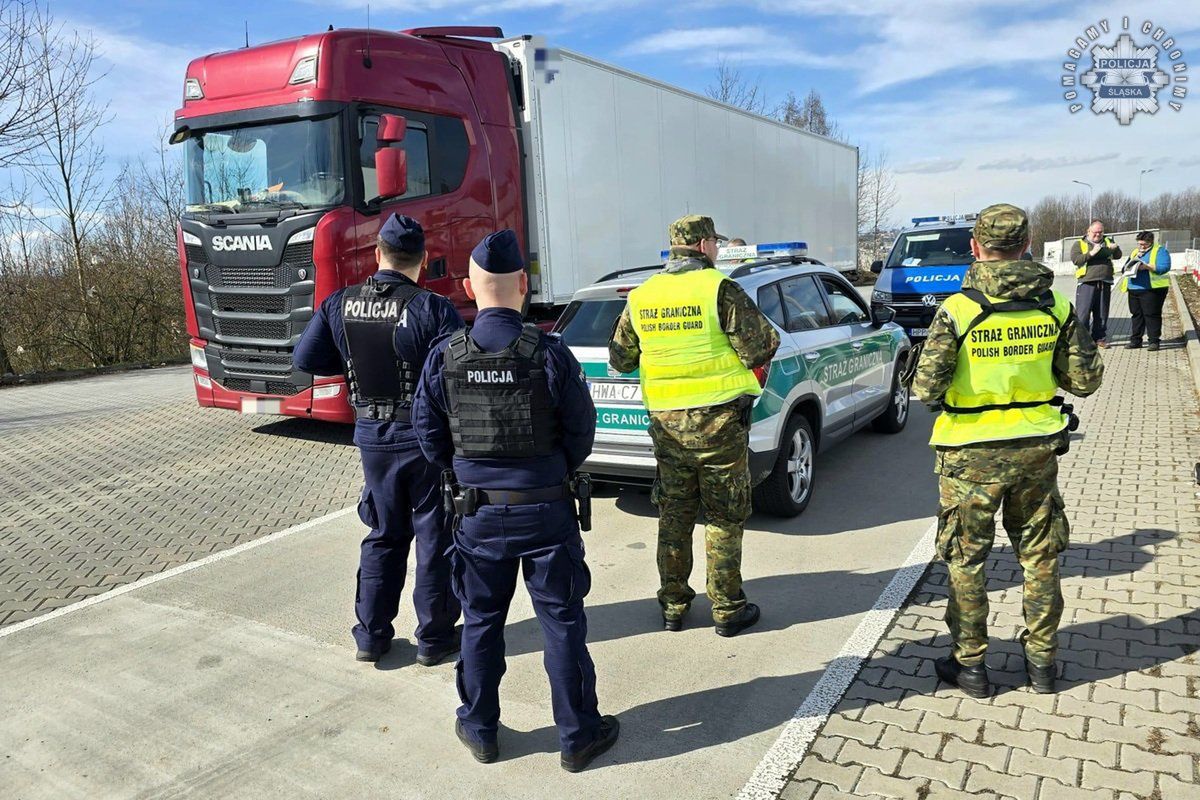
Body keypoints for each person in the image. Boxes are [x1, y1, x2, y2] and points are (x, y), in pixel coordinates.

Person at [412, 229, 618, 772]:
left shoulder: (444, 357)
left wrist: (468, 473)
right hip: (547, 511)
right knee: (562, 623)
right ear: (524, 286)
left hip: (476, 516)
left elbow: (430, 439)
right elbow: (581, 433)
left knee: (480, 622)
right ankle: (577, 736)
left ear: (467, 286)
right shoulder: (550, 353)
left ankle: (480, 729)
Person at [913, 203, 1104, 697]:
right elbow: (1086, 380)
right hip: (1037, 451)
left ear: (976, 247)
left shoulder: (958, 309)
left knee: (966, 560)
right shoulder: (1056, 306)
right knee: (1040, 556)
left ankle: (971, 666)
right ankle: (1042, 664)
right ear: (1026, 245)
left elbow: (925, 389)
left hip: (968, 455)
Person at [294, 213, 463, 665]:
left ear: (377, 254)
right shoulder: (432, 308)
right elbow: (454, 376)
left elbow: (306, 358)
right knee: (435, 536)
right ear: (423, 260)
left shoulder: (340, 303)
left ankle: (371, 635)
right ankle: (434, 638)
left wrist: (352, 363)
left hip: (371, 435)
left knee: (384, 533)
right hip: (423, 437)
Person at [608, 215, 779, 636]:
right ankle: (727, 608)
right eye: (715, 244)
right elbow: (760, 347)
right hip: (720, 424)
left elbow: (620, 359)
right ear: (704, 245)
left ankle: (673, 606)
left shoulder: (643, 297)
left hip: (667, 428)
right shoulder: (720, 289)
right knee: (723, 516)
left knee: (675, 515)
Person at [1070, 219, 1122, 347]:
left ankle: (1100, 338)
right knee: (1083, 314)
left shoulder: (1108, 241)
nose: (1098, 235)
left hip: (1105, 281)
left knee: (1102, 313)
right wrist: (1092, 253)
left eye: (1101, 232)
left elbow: (1118, 255)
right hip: (1087, 282)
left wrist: (1115, 249)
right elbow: (1076, 260)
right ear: (1088, 231)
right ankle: (1083, 340)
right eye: (1095, 232)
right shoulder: (1079, 244)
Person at [1122, 230, 1172, 351]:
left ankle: (1154, 341)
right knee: (1136, 315)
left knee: (1151, 315)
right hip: (1134, 288)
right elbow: (1125, 267)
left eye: (1144, 244)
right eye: (1139, 244)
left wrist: (1147, 266)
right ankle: (1136, 340)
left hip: (1151, 289)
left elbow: (1164, 267)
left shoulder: (1160, 251)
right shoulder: (1135, 252)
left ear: (1151, 242)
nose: (1141, 246)